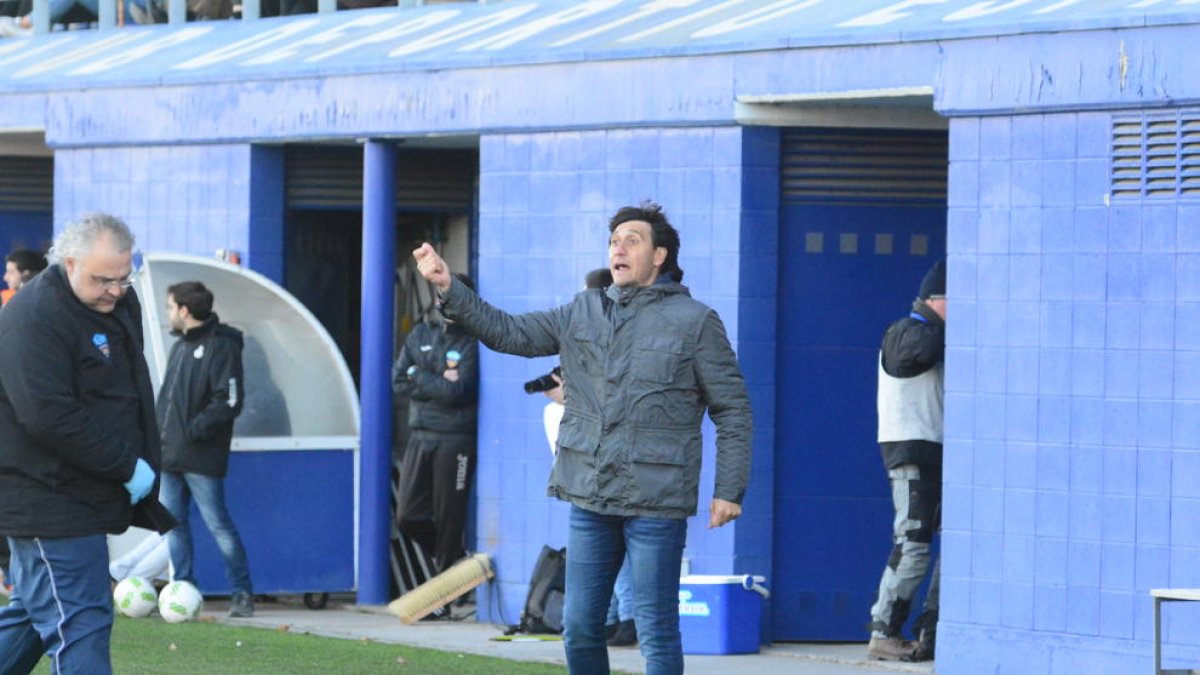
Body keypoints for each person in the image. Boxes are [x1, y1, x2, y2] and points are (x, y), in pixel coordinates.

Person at [413, 201, 753, 675]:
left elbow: (732, 408)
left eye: (631, 239)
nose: (618, 247)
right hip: (590, 494)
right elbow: (509, 332)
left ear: (660, 256)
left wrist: (728, 490)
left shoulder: (695, 321)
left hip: (656, 498)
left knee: (655, 625)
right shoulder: (582, 310)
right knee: (580, 625)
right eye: (613, 240)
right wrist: (449, 287)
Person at [0, 212, 175, 674]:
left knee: (39, 613)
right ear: (68, 262)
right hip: (44, 495)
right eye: (104, 280)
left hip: (81, 491)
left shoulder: (118, 303)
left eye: (124, 277)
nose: (116, 290)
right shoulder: (32, 319)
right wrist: (126, 465)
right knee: (80, 621)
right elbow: (49, 417)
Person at [538, 267, 637, 648]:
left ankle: (628, 619)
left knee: (620, 553)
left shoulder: (617, 339)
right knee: (601, 554)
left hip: (613, 469)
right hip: (585, 475)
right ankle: (611, 619)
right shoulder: (584, 337)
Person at [156, 281, 254, 618]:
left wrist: (193, 430)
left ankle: (242, 593)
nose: (168, 314)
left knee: (218, 524)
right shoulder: (180, 346)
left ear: (185, 310)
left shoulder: (221, 346)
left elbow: (229, 400)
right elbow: (167, 400)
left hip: (199, 455)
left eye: (170, 307)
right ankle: (183, 589)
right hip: (169, 453)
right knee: (172, 524)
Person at [867, 260, 947, 663]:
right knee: (913, 543)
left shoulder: (926, 332)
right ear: (937, 300)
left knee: (933, 544)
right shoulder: (908, 331)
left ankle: (924, 629)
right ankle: (884, 630)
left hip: (933, 450)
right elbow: (907, 357)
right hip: (913, 450)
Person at [391, 272, 480, 586]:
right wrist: (437, 381)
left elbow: (459, 393)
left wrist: (421, 375)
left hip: (455, 440)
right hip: (420, 435)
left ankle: (447, 587)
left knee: (449, 517)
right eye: (441, 292)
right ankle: (452, 561)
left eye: (451, 293)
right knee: (408, 516)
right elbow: (399, 380)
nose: (443, 299)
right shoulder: (421, 334)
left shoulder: (471, 341)